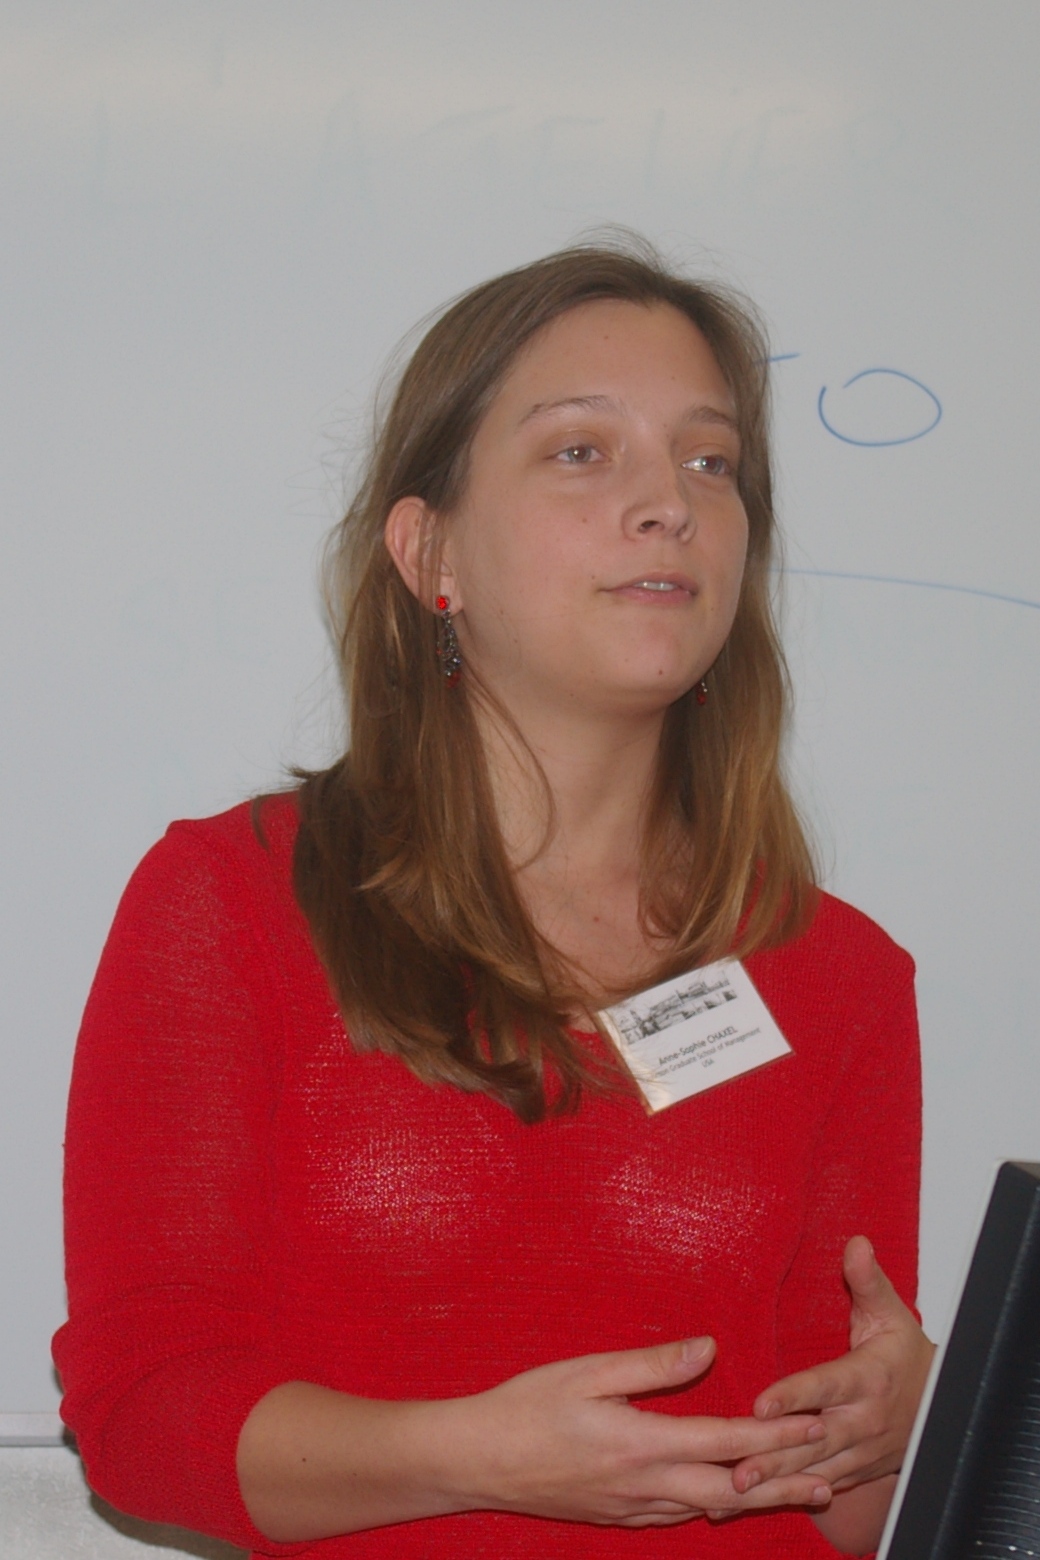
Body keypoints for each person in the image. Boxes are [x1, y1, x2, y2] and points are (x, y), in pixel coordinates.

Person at [54, 237, 933, 1559]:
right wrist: (475, 1460)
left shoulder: (839, 974)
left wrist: (906, 1425)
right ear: (431, 554)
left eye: (712, 463)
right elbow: (141, 1417)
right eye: (583, 451)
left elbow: (833, 1515)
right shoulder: (232, 903)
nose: (670, 503)